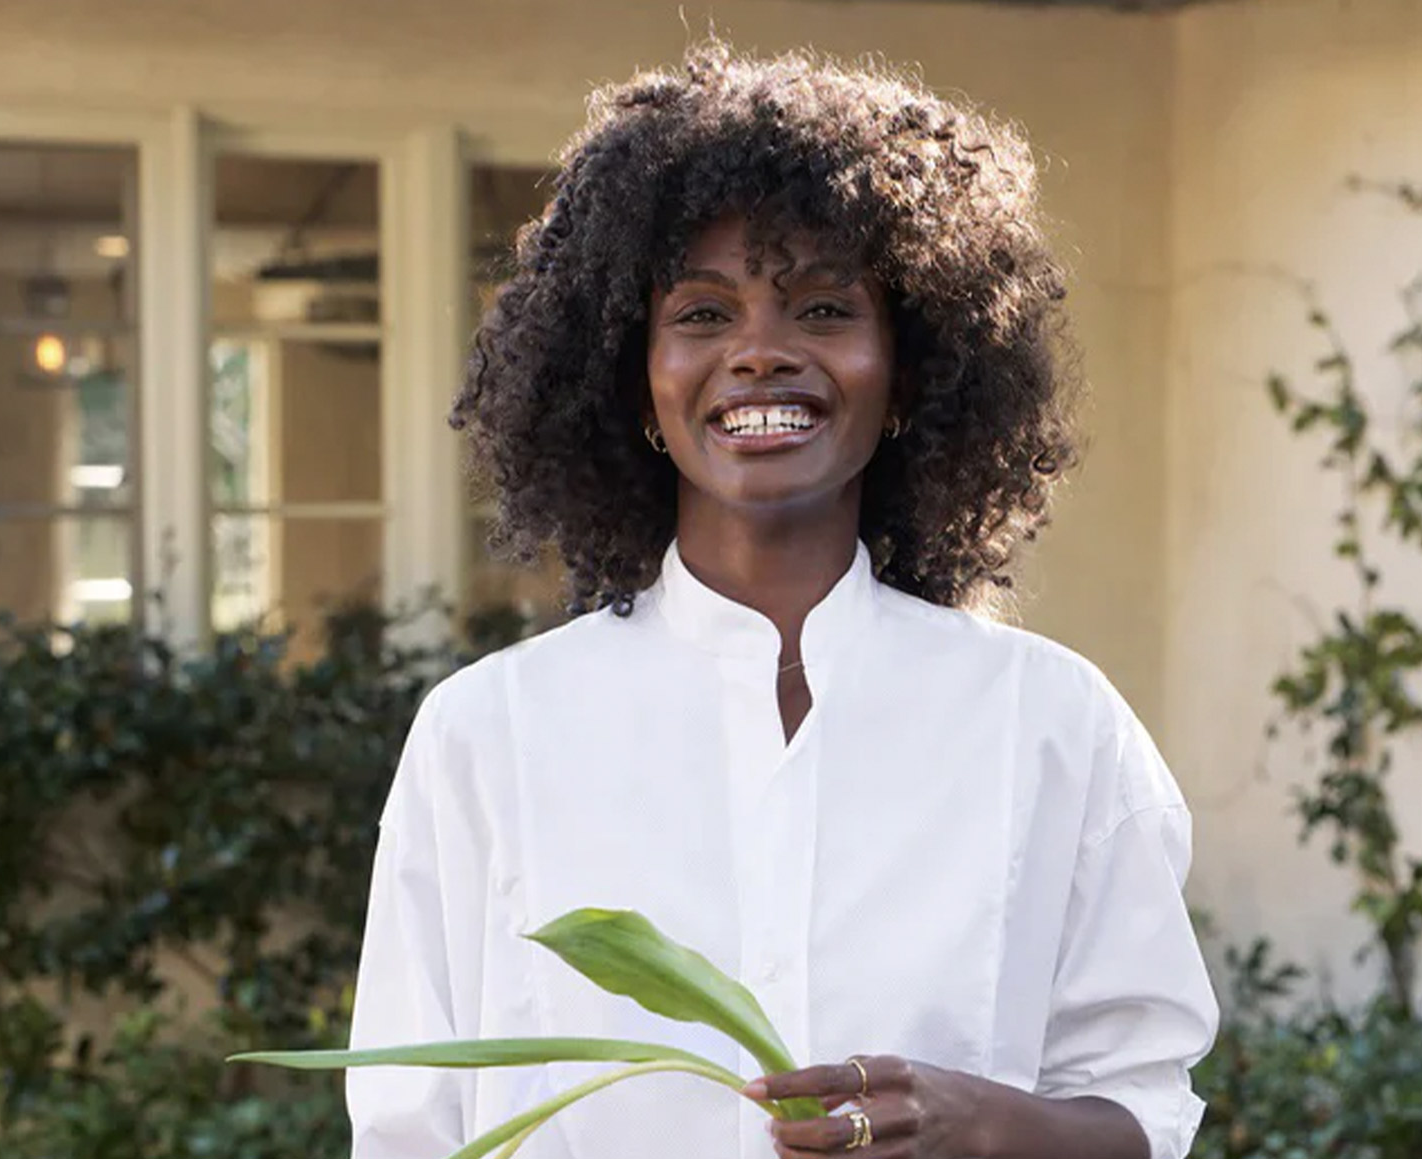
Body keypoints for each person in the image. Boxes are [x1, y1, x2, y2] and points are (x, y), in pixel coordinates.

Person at [347, 41, 1217, 1159]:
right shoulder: (488, 736)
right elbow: (410, 1132)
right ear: (636, 381)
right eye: (703, 314)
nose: (760, 354)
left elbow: (1145, 1111)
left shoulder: (1050, 724)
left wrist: (978, 1122)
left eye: (820, 308)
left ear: (909, 373)